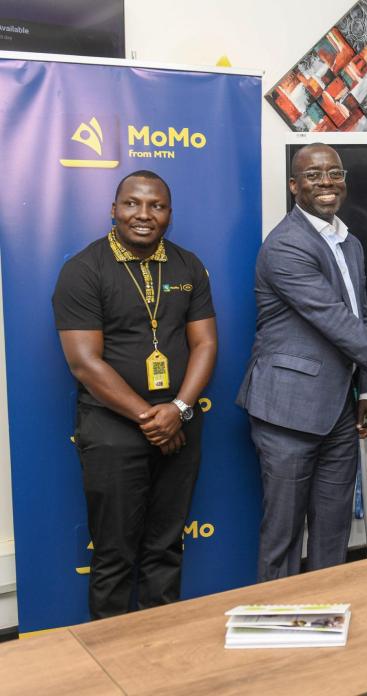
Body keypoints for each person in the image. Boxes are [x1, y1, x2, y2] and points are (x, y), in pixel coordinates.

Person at [237, 143, 367, 581]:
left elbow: (362, 315)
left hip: (339, 413)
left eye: (333, 173)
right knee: (283, 537)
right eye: (312, 175)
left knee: (333, 532)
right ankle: (279, 631)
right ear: (294, 186)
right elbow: (333, 321)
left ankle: (327, 618)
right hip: (287, 412)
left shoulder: (350, 242)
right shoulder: (286, 245)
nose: (325, 182)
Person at [53, 170, 217, 618]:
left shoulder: (187, 265)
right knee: (113, 556)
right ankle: (111, 667)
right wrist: (153, 418)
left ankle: (159, 660)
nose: (144, 215)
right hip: (113, 430)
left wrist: (179, 410)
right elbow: (85, 362)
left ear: (168, 213)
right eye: (132, 203)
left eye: (156, 206)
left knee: (166, 548)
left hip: (179, 424)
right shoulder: (84, 270)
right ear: (114, 209)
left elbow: (204, 343)